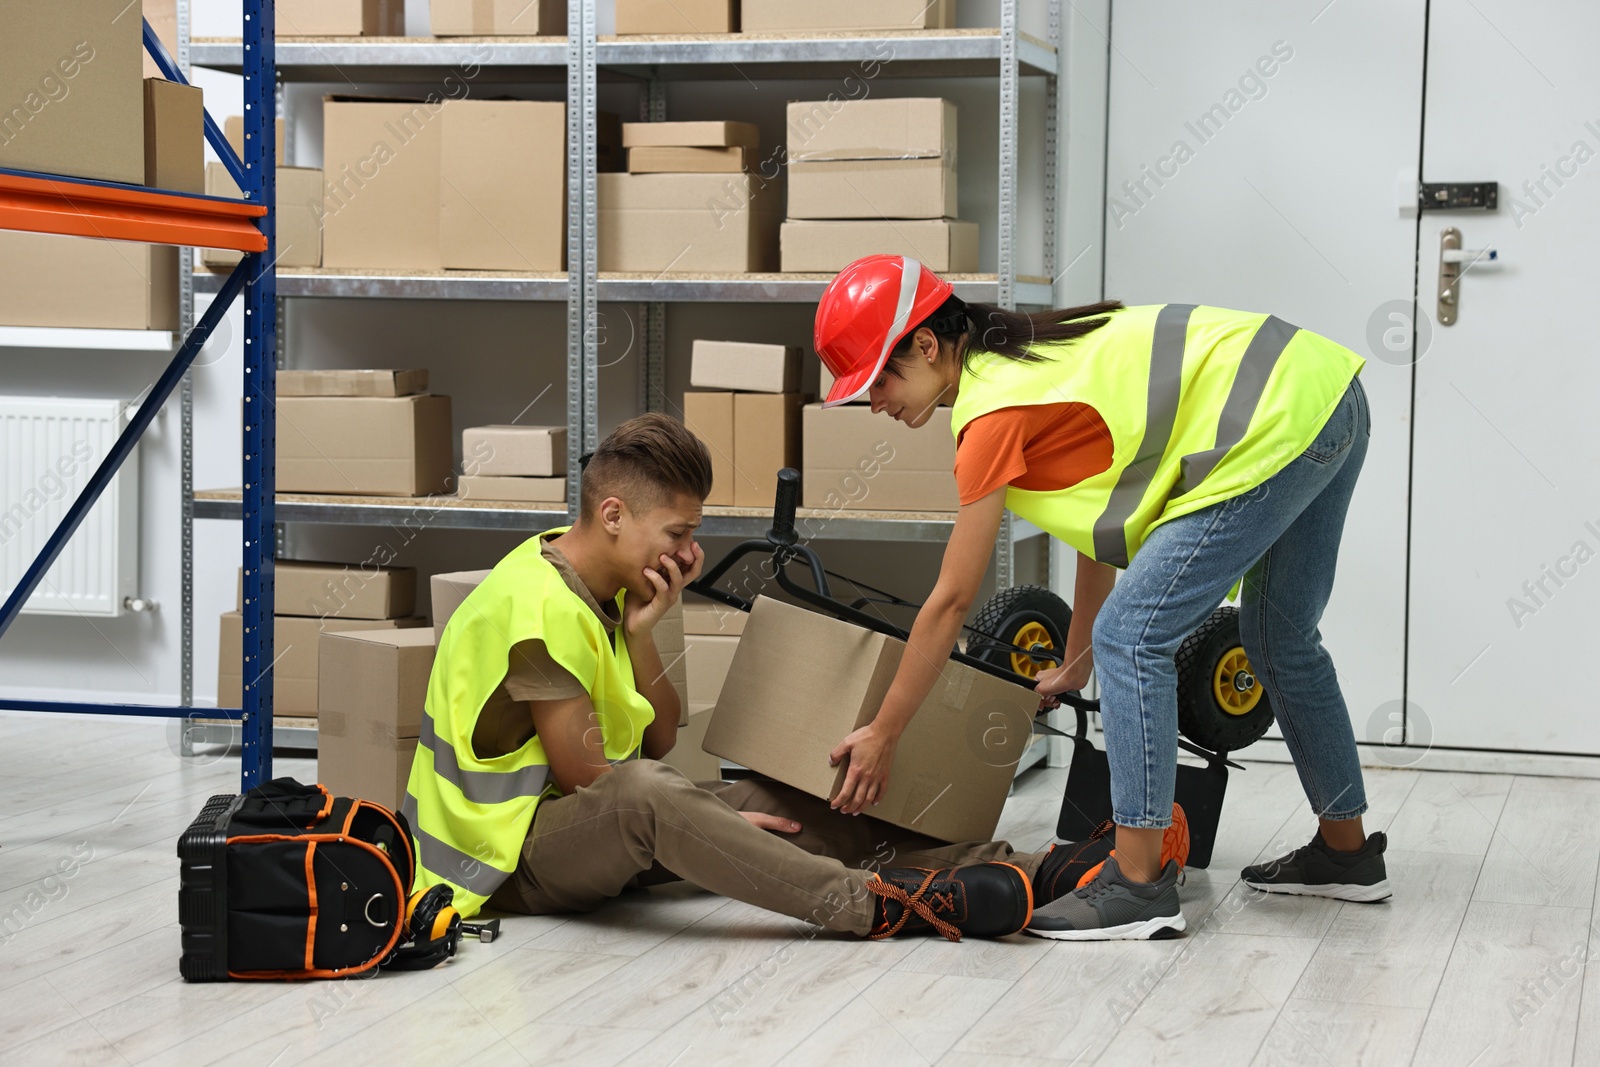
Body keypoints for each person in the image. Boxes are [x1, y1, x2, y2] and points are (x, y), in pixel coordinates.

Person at [814, 255, 1390, 941]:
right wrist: (1080, 659)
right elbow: (1103, 525)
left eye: (880, 376)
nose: (875, 402)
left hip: (1279, 415)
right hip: (1327, 395)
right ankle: (1347, 854)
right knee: (1279, 636)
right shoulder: (1028, 356)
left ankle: (1139, 884)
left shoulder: (990, 412)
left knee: (1136, 635)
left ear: (928, 343)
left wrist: (883, 731)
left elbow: (951, 599)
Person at [403, 413, 1136, 943]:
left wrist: (644, 631)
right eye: (679, 533)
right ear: (615, 513)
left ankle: (1030, 873)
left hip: (585, 820)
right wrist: (704, 818)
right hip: (504, 866)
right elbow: (605, 781)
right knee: (656, 798)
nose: (690, 551)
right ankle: (873, 905)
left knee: (783, 792)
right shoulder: (533, 606)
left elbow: (658, 737)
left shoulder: (606, 593)